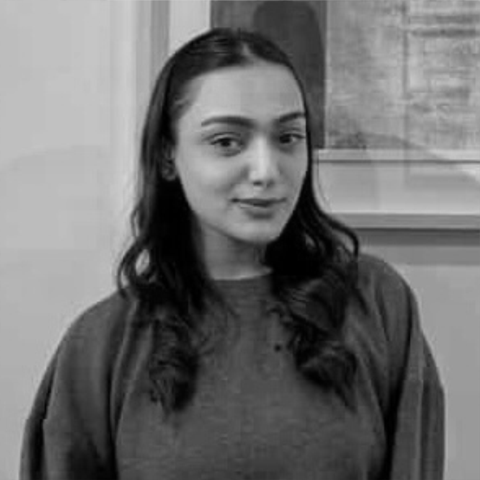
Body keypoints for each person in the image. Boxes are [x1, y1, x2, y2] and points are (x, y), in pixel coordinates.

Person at [20, 28, 444, 480]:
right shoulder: (101, 345)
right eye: (227, 142)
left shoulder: (376, 305)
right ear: (167, 156)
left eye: (288, 137)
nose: (266, 171)